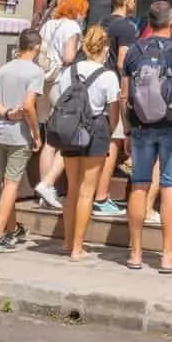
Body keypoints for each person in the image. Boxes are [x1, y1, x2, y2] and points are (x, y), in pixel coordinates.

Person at [122, 0, 172, 273]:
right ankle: (167, 257)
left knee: (140, 184)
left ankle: (135, 253)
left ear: (149, 22)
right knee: (169, 186)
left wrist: (127, 130)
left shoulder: (133, 50)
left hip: (141, 126)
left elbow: (124, 96)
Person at [51, 24, 120, 261]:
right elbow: (114, 110)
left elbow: (59, 101)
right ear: (105, 48)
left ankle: (67, 242)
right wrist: (109, 131)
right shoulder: (108, 76)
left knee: (72, 189)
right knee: (87, 191)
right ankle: (78, 247)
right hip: (96, 127)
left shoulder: (69, 72)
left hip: (71, 130)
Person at [0, 27, 45, 252]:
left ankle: (10, 229)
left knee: (5, 181)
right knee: (12, 184)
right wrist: (36, 133)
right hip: (19, 135)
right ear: (36, 47)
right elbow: (29, 105)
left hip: (0, 130)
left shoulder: (3, 69)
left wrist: (6, 113)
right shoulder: (35, 72)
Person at [34, 0, 89, 212]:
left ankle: (44, 188)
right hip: (60, 83)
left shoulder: (49, 24)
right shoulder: (72, 27)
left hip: (44, 80)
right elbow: (68, 57)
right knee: (65, 134)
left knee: (50, 137)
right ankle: (48, 186)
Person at [93, 0, 140, 218]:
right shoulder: (127, 27)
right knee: (113, 141)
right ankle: (101, 196)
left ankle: (92, 191)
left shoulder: (102, 22)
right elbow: (123, 61)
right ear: (128, 1)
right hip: (114, 85)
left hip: (96, 81)